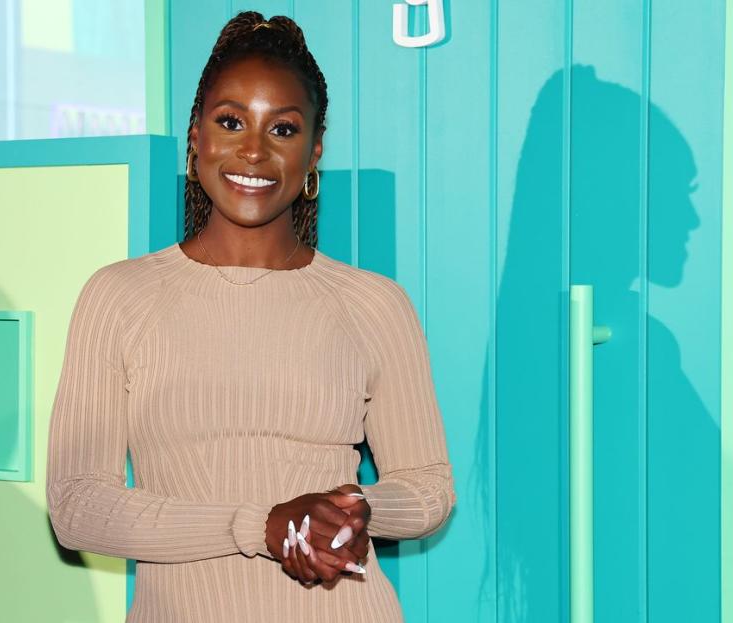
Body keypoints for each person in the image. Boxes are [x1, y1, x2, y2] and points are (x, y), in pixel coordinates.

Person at [46, 12, 456, 622]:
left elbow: (429, 488)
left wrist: (356, 508)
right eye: (231, 121)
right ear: (196, 135)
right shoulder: (119, 296)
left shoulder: (374, 303)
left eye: (284, 129)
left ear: (315, 150)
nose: (254, 151)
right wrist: (259, 525)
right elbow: (77, 506)